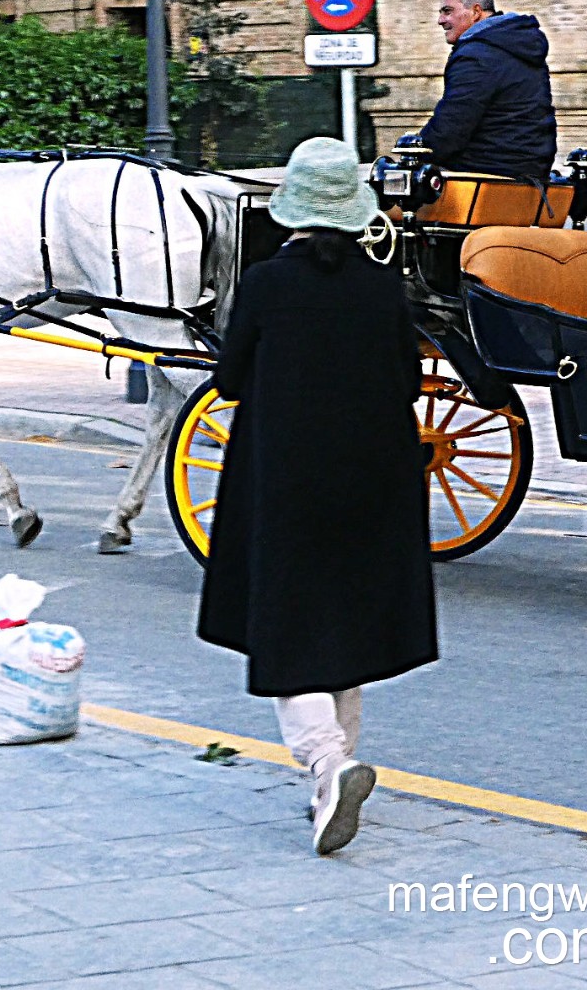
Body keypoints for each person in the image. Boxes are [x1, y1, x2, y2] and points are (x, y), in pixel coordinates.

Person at [197, 138, 435, 856]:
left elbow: (230, 380)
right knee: (347, 624)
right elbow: (409, 378)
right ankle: (329, 782)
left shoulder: (269, 283)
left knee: (288, 630)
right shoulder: (381, 285)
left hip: (288, 476)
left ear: (293, 212)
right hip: (375, 477)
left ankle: (329, 766)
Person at [415, 0, 556, 179]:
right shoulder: (518, 46)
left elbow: (451, 126)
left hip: (484, 172)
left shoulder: (476, 55)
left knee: (390, 198)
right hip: (532, 170)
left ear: (475, 12)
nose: (440, 20)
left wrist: (416, 152)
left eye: (448, 11)